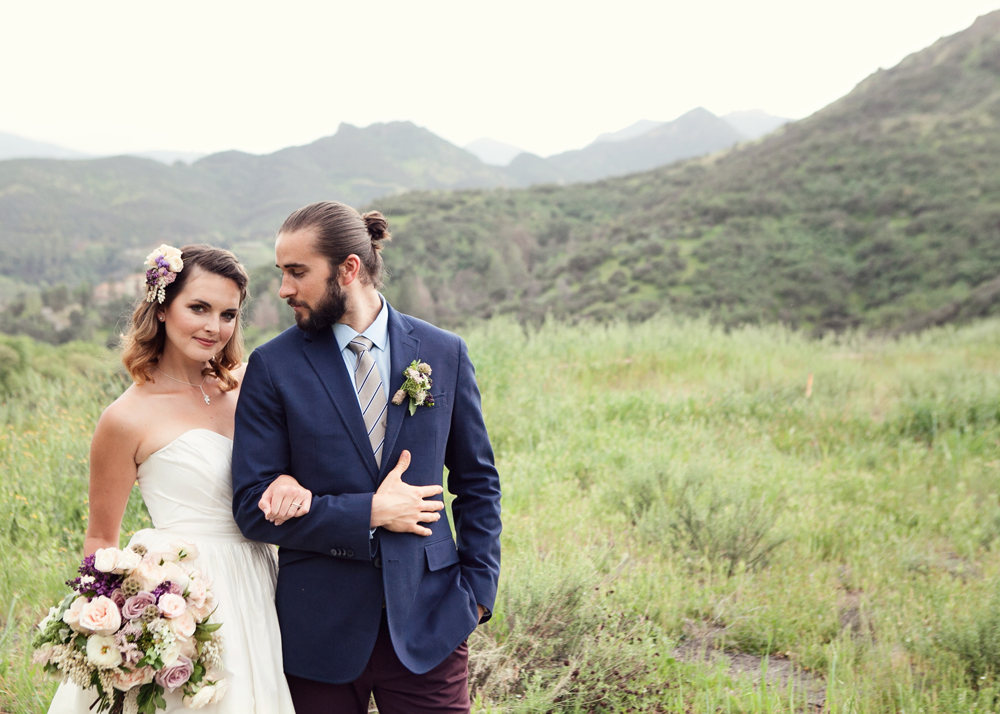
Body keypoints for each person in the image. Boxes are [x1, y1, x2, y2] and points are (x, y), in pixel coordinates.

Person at [231, 201, 502, 714]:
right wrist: (368, 514)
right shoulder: (273, 367)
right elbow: (250, 505)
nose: (284, 289)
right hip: (318, 632)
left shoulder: (444, 352)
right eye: (281, 273)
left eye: (297, 272)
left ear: (348, 269)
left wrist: (478, 593)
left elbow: (478, 481)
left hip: (432, 619)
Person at [47, 245, 301, 713]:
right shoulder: (125, 418)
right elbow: (101, 536)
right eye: (198, 308)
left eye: (228, 314)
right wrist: (110, 629)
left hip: (264, 579)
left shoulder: (251, 387)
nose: (214, 327)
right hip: (184, 599)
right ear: (162, 307)